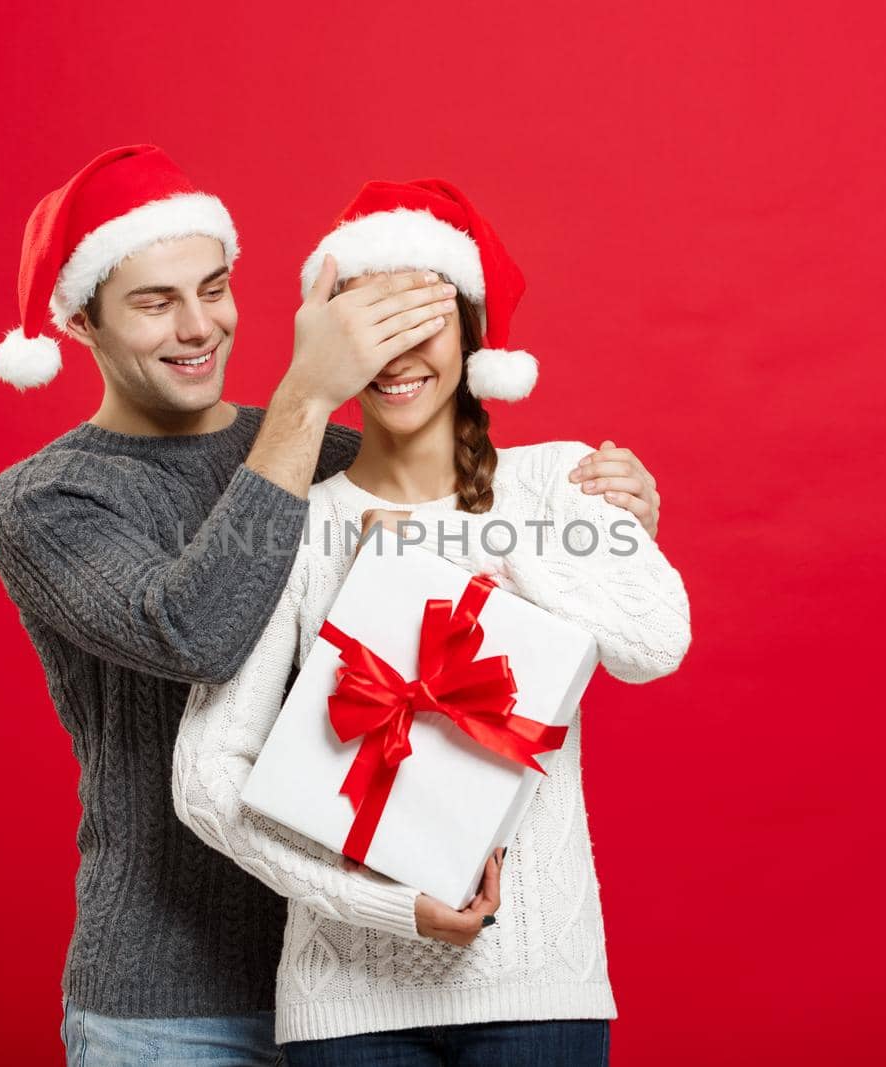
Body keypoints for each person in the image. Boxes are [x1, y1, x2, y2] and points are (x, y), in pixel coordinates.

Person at [0, 147, 669, 1065]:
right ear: (80, 322)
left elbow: (454, 494)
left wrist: (608, 514)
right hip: (176, 1000)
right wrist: (306, 395)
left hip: (355, 972)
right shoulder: (47, 498)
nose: (198, 327)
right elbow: (196, 633)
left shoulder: (332, 458)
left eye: (215, 289)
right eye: (154, 301)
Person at [171, 178, 693, 1065]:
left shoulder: (557, 481)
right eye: (369, 324)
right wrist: (389, 907)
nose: (398, 352)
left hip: (540, 989)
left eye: (424, 318)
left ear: (473, 335)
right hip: (345, 1009)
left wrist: (448, 554)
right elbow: (205, 780)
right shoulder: (290, 521)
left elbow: (656, 641)